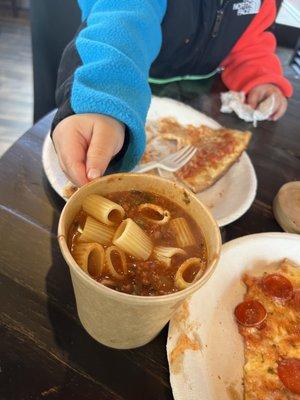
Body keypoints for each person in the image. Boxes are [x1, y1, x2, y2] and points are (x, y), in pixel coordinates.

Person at [52, 0, 293, 187]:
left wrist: (259, 77)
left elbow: (250, 41)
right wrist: (106, 96)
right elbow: (124, 19)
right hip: (135, 84)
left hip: (203, 90)